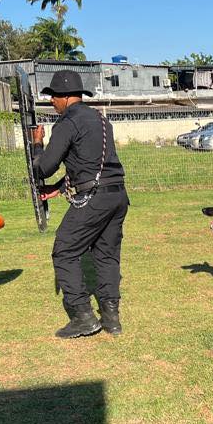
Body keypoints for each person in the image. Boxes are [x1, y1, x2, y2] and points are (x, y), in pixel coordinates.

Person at [34, 70, 129, 338]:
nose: (51, 101)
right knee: (106, 255)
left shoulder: (67, 122)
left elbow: (44, 168)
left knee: (64, 251)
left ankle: (83, 317)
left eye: (53, 96)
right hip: (117, 195)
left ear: (64, 97)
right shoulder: (100, 119)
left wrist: (37, 145)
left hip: (95, 199)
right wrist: (60, 188)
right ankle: (111, 318)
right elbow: (92, 163)